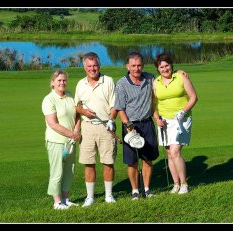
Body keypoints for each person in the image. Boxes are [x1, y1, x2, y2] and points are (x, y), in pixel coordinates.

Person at [114, 51, 160, 200]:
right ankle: (135, 190)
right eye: (133, 66)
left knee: (147, 159)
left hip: (147, 123)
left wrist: (180, 73)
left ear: (143, 65)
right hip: (130, 125)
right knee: (132, 161)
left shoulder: (150, 78)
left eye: (139, 65)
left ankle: (147, 189)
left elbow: (165, 77)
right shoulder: (121, 84)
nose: (136, 68)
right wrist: (128, 125)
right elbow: (120, 108)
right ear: (128, 66)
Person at [74, 52, 118, 207]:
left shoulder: (108, 81)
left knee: (108, 162)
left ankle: (109, 195)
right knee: (89, 163)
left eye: (95, 66)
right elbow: (77, 107)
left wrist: (112, 120)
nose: (92, 69)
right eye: (89, 66)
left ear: (99, 66)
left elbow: (114, 105)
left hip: (106, 126)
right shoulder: (81, 84)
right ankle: (90, 197)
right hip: (87, 128)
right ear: (85, 68)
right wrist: (84, 112)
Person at [152, 53, 198, 194]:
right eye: (161, 67)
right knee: (169, 153)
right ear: (158, 69)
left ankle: (184, 184)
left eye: (167, 65)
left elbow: (194, 97)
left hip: (181, 119)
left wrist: (183, 111)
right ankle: (176, 184)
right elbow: (153, 105)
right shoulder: (156, 82)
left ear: (171, 65)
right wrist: (156, 119)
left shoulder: (180, 77)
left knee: (175, 151)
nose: (165, 69)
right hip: (164, 121)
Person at [42, 69, 81, 210]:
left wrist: (76, 131)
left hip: (71, 141)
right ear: (52, 83)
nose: (62, 83)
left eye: (64, 80)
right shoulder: (49, 99)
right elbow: (53, 124)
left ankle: (65, 198)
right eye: (59, 80)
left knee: (69, 171)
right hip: (56, 142)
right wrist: (72, 134)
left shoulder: (70, 96)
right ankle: (57, 202)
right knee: (57, 171)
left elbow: (77, 115)